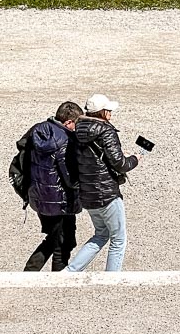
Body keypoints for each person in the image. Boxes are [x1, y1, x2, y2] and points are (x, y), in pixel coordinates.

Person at [66, 94, 138, 274]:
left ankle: (70, 272)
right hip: (107, 193)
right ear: (103, 112)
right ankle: (112, 279)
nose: (111, 113)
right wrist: (134, 159)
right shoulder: (106, 131)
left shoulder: (77, 132)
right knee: (118, 240)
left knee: (100, 235)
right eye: (109, 110)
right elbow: (120, 164)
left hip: (87, 195)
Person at [21, 100, 84, 272]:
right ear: (68, 122)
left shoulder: (38, 131)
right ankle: (36, 273)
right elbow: (69, 177)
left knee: (59, 239)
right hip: (61, 200)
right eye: (77, 124)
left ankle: (36, 273)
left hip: (39, 197)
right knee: (61, 242)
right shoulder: (65, 140)